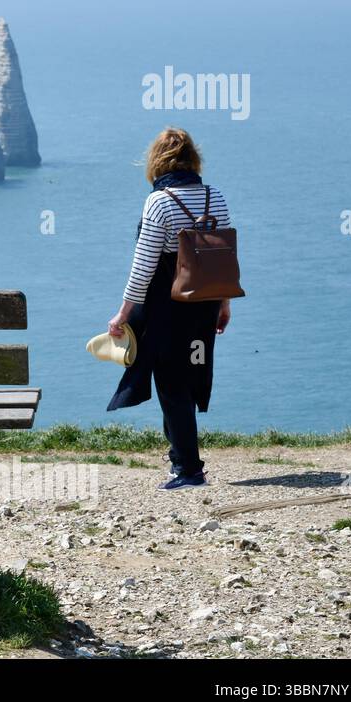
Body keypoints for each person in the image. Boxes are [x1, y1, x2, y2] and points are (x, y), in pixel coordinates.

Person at [106, 127, 232, 490]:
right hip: (204, 304)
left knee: (171, 383)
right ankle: (180, 458)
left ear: (157, 162)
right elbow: (223, 256)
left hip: (168, 308)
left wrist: (123, 312)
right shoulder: (215, 197)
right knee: (190, 377)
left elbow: (144, 264)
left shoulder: (160, 202)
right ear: (194, 159)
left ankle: (189, 469)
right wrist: (223, 304)